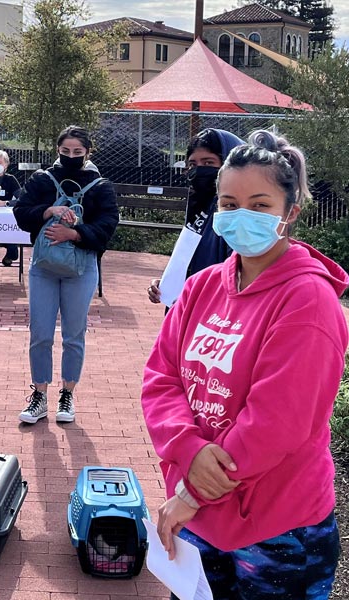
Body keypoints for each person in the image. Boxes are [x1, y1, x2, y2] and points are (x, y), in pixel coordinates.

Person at [141, 130, 349, 599]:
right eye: (229, 204)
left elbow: (278, 421)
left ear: (290, 213)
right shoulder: (202, 287)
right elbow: (162, 377)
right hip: (200, 517)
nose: (241, 217)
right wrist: (189, 449)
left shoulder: (307, 300)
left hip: (278, 528)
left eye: (259, 205)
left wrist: (191, 493)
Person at [13, 125, 119, 424]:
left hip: (81, 268)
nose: (71, 156)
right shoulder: (42, 179)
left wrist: (74, 233)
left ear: (87, 152)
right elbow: (21, 213)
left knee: (74, 334)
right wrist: (47, 212)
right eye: (65, 151)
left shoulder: (100, 186)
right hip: (44, 268)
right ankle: (39, 394)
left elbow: (109, 224)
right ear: (57, 150)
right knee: (40, 333)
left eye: (77, 152)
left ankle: (68, 393)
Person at [147, 128, 244, 304]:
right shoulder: (198, 205)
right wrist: (168, 284)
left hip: (214, 314)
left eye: (208, 163)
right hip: (186, 309)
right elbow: (191, 261)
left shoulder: (236, 214)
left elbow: (238, 277)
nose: (199, 171)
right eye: (193, 165)